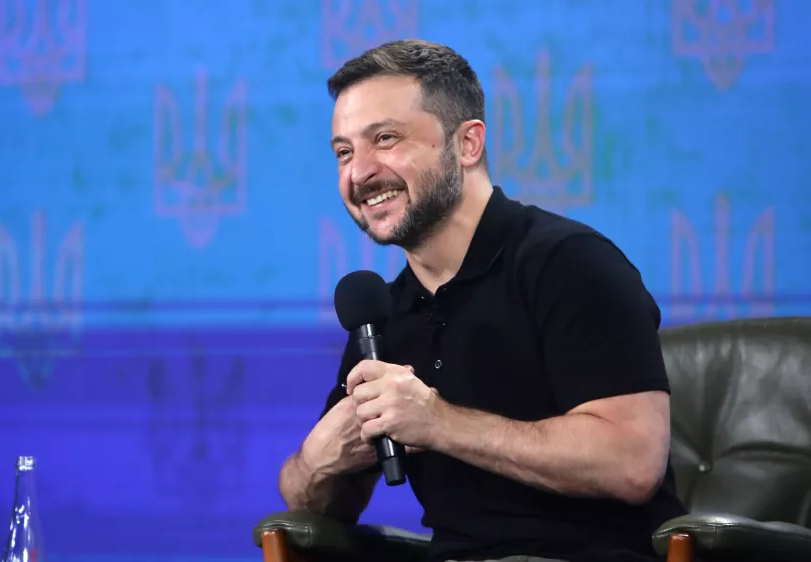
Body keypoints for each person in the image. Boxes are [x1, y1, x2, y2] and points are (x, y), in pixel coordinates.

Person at [276, 40, 688, 562]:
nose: (359, 173)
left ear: (467, 144)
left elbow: (632, 464)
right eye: (343, 152)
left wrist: (437, 422)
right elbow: (319, 507)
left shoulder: (569, 263)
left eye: (385, 139)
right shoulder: (381, 315)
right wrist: (316, 462)